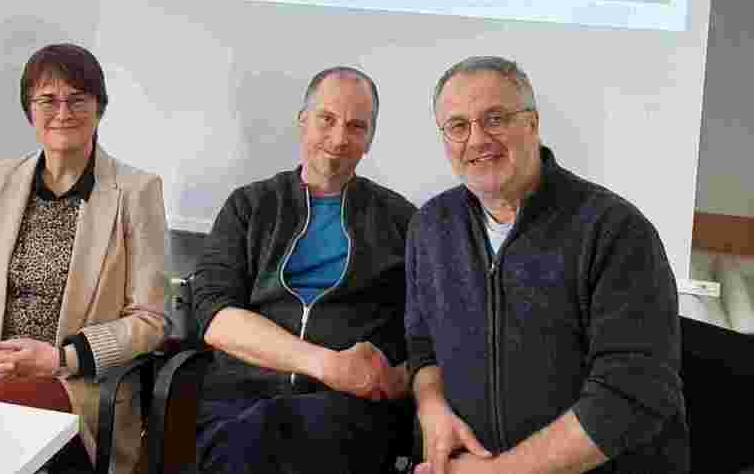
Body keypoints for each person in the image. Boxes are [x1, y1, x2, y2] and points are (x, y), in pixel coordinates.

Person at [406, 56, 687, 474]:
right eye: (458, 126)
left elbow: (631, 396)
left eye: (495, 119)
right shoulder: (429, 227)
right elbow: (421, 345)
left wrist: (496, 473)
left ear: (533, 124)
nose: (477, 139)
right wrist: (432, 409)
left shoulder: (614, 230)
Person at [0, 44, 168, 474]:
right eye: (48, 100)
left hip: (73, 385)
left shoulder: (136, 191)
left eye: (78, 99)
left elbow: (149, 320)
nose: (63, 112)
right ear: (29, 110)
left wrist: (59, 359)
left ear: (99, 107)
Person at [191, 66, 416, 474]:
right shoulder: (249, 207)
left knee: (289, 435)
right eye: (326, 119)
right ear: (302, 121)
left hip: (349, 413)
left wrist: (395, 379)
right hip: (241, 402)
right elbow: (214, 315)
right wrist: (326, 365)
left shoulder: (403, 222)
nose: (339, 138)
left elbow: (431, 332)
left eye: (356, 126)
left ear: (369, 139)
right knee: (252, 436)